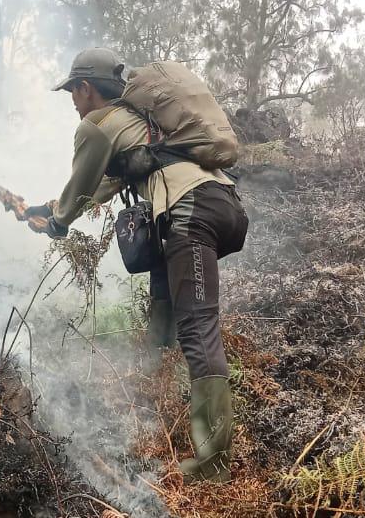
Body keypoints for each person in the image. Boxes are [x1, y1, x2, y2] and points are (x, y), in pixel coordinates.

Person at [24, 48, 249, 483]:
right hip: (223, 205)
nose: (72, 99)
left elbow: (79, 194)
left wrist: (55, 221)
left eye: (73, 90)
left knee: (198, 328)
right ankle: (156, 384)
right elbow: (104, 187)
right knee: (165, 297)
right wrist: (48, 208)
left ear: (86, 88)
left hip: (191, 213)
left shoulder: (96, 125)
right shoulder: (139, 123)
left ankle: (214, 461)